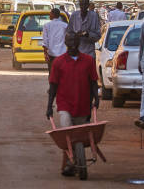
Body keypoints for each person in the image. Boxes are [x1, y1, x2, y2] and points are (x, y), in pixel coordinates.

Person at [46, 33, 100, 179]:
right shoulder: (58, 62)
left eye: (75, 41)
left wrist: (96, 98)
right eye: (70, 41)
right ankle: (72, 162)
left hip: (83, 105)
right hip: (65, 104)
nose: (73, 44)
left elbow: (93, 81)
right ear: (66, 42)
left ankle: (71, 163)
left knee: (78, 138)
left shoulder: (88, 60)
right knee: (67, 132)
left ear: (79, 42)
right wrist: (49, 105)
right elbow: (53, 85)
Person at [42, 8, 68, 75]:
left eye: (50, 13)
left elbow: (45, 41)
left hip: (51, 55)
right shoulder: (65, 25)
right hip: (62, 54)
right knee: (62, 74)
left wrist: (45, 53)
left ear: (53, 14)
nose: (49, 15)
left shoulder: (46, 25)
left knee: (52, 74)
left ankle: (53, 85)